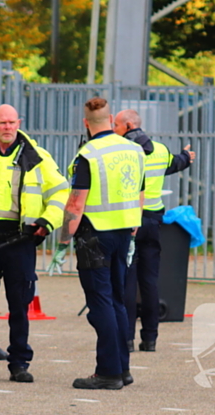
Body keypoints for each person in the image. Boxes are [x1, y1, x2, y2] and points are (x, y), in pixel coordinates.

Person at [50, 97, 145, 390]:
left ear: (85, 123)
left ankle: (108, 372)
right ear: (111, 117)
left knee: (100, 303)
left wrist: (63, 243)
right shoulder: (135, 150)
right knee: (117, 300)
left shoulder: (88, 155)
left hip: (95, 237)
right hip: (123, 234)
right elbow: (140, 194)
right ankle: (122, 368)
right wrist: (132, 231)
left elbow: (76, 204)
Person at [0, 104, 69, 383]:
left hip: (21, 239)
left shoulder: (37, 157)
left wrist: (47, 222)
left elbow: (61, 191)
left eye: (11, 122)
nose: (7, 127)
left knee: (19, 306)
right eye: (2, 122)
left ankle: (19, 363)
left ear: (19, 123)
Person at [113, 109, 195, 353]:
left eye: (116, 124)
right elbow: (174, 164)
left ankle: (126, 339)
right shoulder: (159, 150)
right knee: (149, 282)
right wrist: (187, 156)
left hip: (129, 222)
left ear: (128, 125)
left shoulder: (120, 152)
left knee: (127, 282)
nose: (114, 128)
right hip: (153, 223)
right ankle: (150, 339)